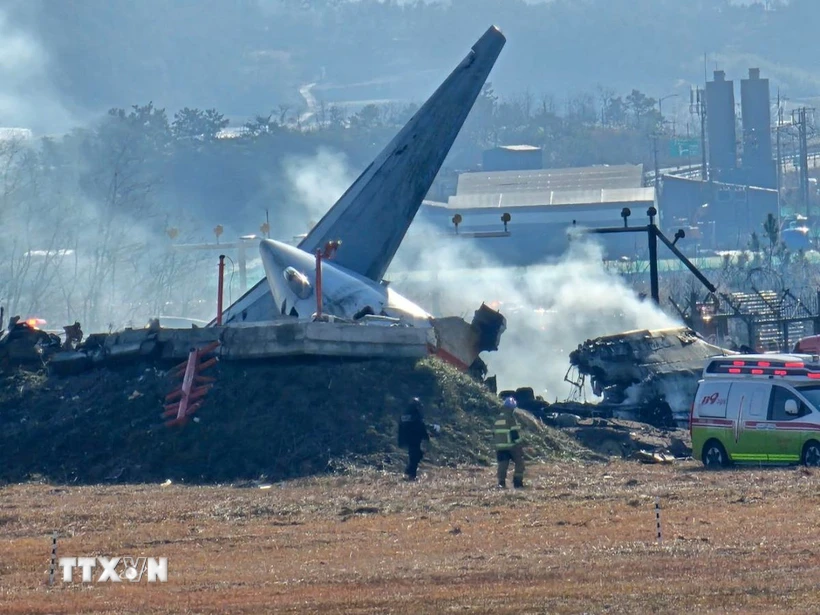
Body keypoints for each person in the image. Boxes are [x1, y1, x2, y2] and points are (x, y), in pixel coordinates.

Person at [494, 397, 525, 488]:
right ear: (511, 408)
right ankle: (517, 482)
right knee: (520, 463)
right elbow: (514, 434)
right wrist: (520, 444)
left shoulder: (498, 417)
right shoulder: (510, 418)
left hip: (500, 447)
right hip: (511, 446)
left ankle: (501, 483)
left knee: (502, 466)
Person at [398, 397, 430, 481]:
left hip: (408, 438)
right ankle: (411, 474)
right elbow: (420, 426)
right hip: (415, 438)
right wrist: (426, 436)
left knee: (414, 455)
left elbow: (400, 427)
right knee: (415, 456)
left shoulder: (405, 414)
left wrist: (401, 439)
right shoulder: (416, 414)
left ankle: (409, 472)